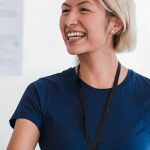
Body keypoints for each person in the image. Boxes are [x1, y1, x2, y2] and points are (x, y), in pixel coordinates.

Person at [7, 0, 150, 150]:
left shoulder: (146, 94)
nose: (69, 21)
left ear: (116, 24)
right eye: (65, 11)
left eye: (84, 9)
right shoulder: (41, 93)